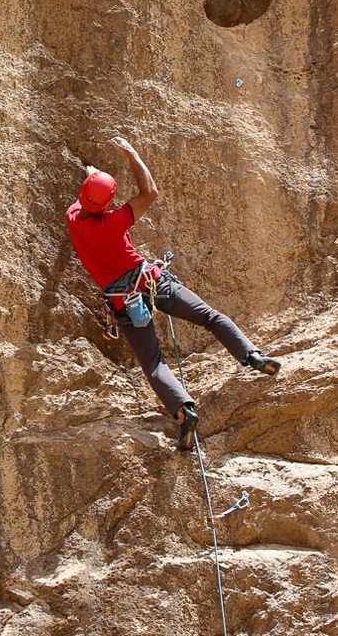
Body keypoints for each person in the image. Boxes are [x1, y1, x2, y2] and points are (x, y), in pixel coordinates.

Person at [65, 136, 280, 450]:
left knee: (153, 364)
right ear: (109, 205)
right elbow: (149, 192)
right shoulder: (114, 222)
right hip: (153, 283)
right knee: (210, 317)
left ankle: (183, 412)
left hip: (124, 302)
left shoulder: (73, 218)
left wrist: (92, 177)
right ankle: (252, 355)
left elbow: (88, 200)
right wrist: (133, 154)